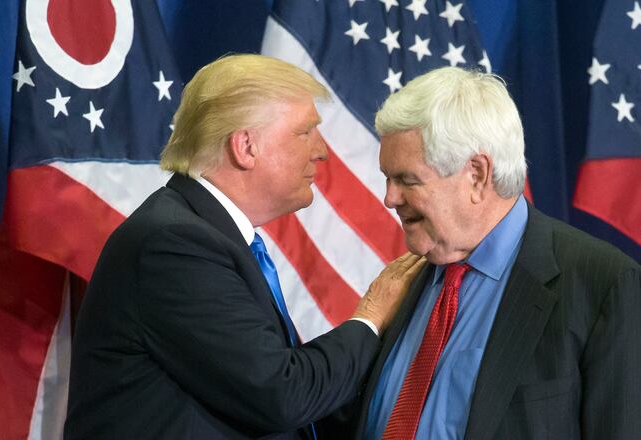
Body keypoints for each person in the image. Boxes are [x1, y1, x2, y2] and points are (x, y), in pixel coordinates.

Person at [63, 54, 425, 439]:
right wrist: (372, 315)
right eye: (306, 132)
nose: (321, 151)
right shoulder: (174, 245)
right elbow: (282, 394)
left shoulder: (211, 237)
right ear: (246, 146)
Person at [350, 67, 641, 439]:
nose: (389, 198)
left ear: (476, 174)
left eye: (407, 180)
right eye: (387, 178)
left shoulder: (605, 287)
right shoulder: (404, 284)